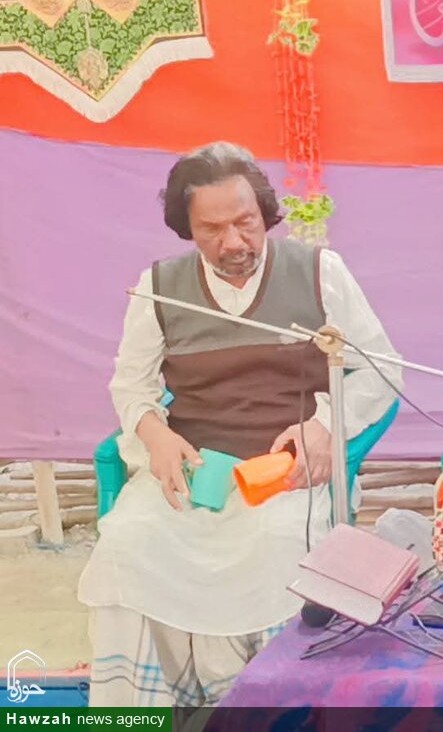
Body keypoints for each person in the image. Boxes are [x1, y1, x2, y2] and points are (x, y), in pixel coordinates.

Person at [78, 142, 402, 707]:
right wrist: (154, 434)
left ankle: (267, 704)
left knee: (280, 542)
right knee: (127, 543)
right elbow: (131, 385)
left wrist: (324, 426)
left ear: (265, 213)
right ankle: (154, 709)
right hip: (194, 469)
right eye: (211, 229)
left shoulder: (319, 272)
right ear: (187, 228)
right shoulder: (157, 286)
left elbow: (381, 370)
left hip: (285, 472)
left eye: (245, 222)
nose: (233, 243)